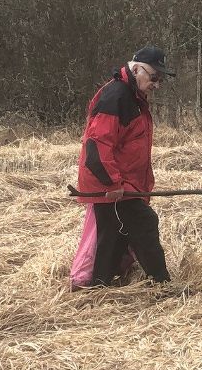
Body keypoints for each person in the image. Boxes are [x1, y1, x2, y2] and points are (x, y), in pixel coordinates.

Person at [75, 46, 175, 287]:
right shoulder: (117, 96)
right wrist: (113, 183)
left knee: (112, 236)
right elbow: (97, 146)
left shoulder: (133, 97)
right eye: (154, 77)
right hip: (112, 184)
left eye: (160, 80)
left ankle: (100, 284)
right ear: (137, 68)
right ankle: (161, 284)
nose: (156, 84)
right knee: (144, 224)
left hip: (123, 184)